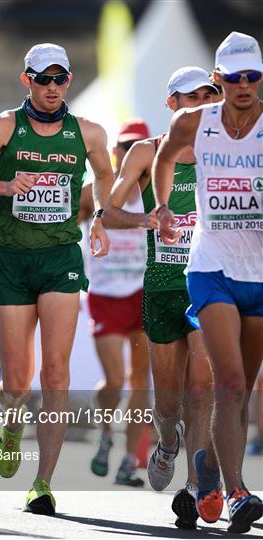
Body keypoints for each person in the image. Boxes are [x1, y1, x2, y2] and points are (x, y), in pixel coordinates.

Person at [0, 42, 114, 515]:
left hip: (60, 257)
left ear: (69, 81)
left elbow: (105, 175)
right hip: (12, 259)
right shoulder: (3, 126)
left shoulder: (90, 132)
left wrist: (99, 215)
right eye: (44, 79)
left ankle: (43, 481)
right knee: (16, 381)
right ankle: (13, 419)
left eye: (61, 79)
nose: (53, 87)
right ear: (27, 80)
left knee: (56, 372)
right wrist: (3, 185)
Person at [152, 31, 263, 534]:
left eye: (252, 76)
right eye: (234, 77)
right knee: (229, 381)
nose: (243, 85)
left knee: (240, 395)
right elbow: (163, 157)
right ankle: (238, 493)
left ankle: (212, 477)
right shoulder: (193, 123)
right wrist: (161, 207)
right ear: (220, 78)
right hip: (210, 266)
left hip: (258, 272)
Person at [103, 67, 219, 529]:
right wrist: (148, 221)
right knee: (169, 404)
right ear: (171, 105)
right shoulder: (146, 152)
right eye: (190, 99)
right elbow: (109, 212)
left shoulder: (231, 154)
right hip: (162, 287)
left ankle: (195, 489)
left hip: (209, 286)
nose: (201, 106)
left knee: (202, 391)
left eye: (208, 98)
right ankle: (167, 440)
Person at [79, 119, 151, 487]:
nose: (128, 153)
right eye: (124, 147)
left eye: (136, 146)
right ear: (115, 152)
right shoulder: (94, 190)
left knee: (140, 380)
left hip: (141, 293)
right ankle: (106, 433)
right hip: (105, 294)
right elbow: (61, 225)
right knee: (115, 379)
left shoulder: (156, 190)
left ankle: (127, 459)